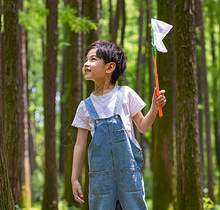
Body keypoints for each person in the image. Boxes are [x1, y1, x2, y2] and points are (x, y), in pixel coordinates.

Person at [71, 40, 166, 210]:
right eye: (86, 59)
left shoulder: (126, 94)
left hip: (129, 179)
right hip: (101, 182)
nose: (86, 64)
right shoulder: (85, 106)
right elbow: (79, 144)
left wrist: (154, 106)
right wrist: (74, 178)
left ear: (109, 67)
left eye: (93, 59)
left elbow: (143, 127)